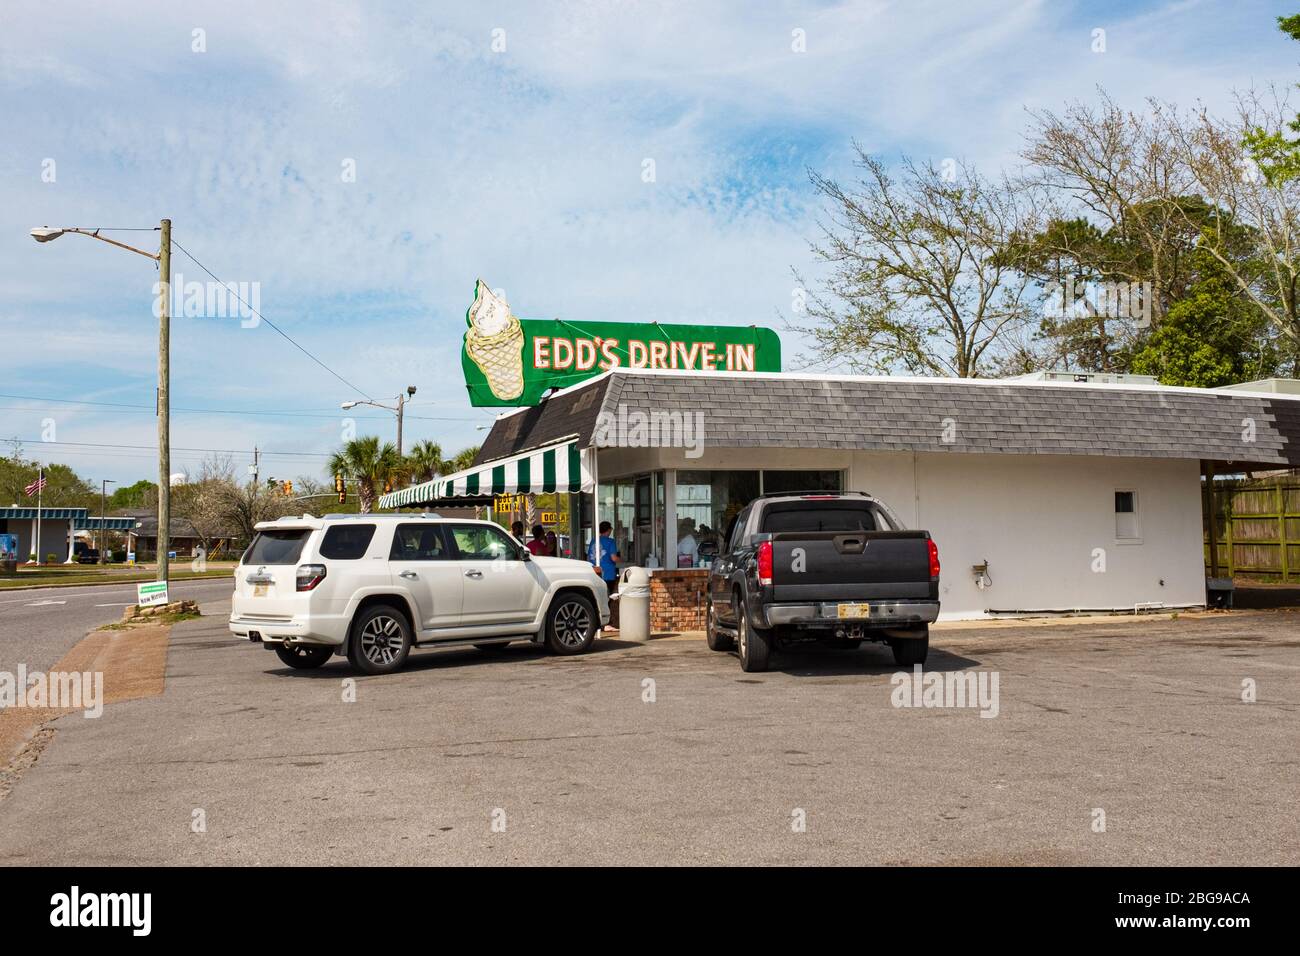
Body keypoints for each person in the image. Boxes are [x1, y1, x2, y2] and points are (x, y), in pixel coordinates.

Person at [588, 520, 621, 592]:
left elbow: (589, 557)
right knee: (608, 596)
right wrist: (621, 559)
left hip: (594, 573)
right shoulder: (610, 541)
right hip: (608, 574)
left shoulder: (593, 541)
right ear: (608, 530)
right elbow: (614, 558)